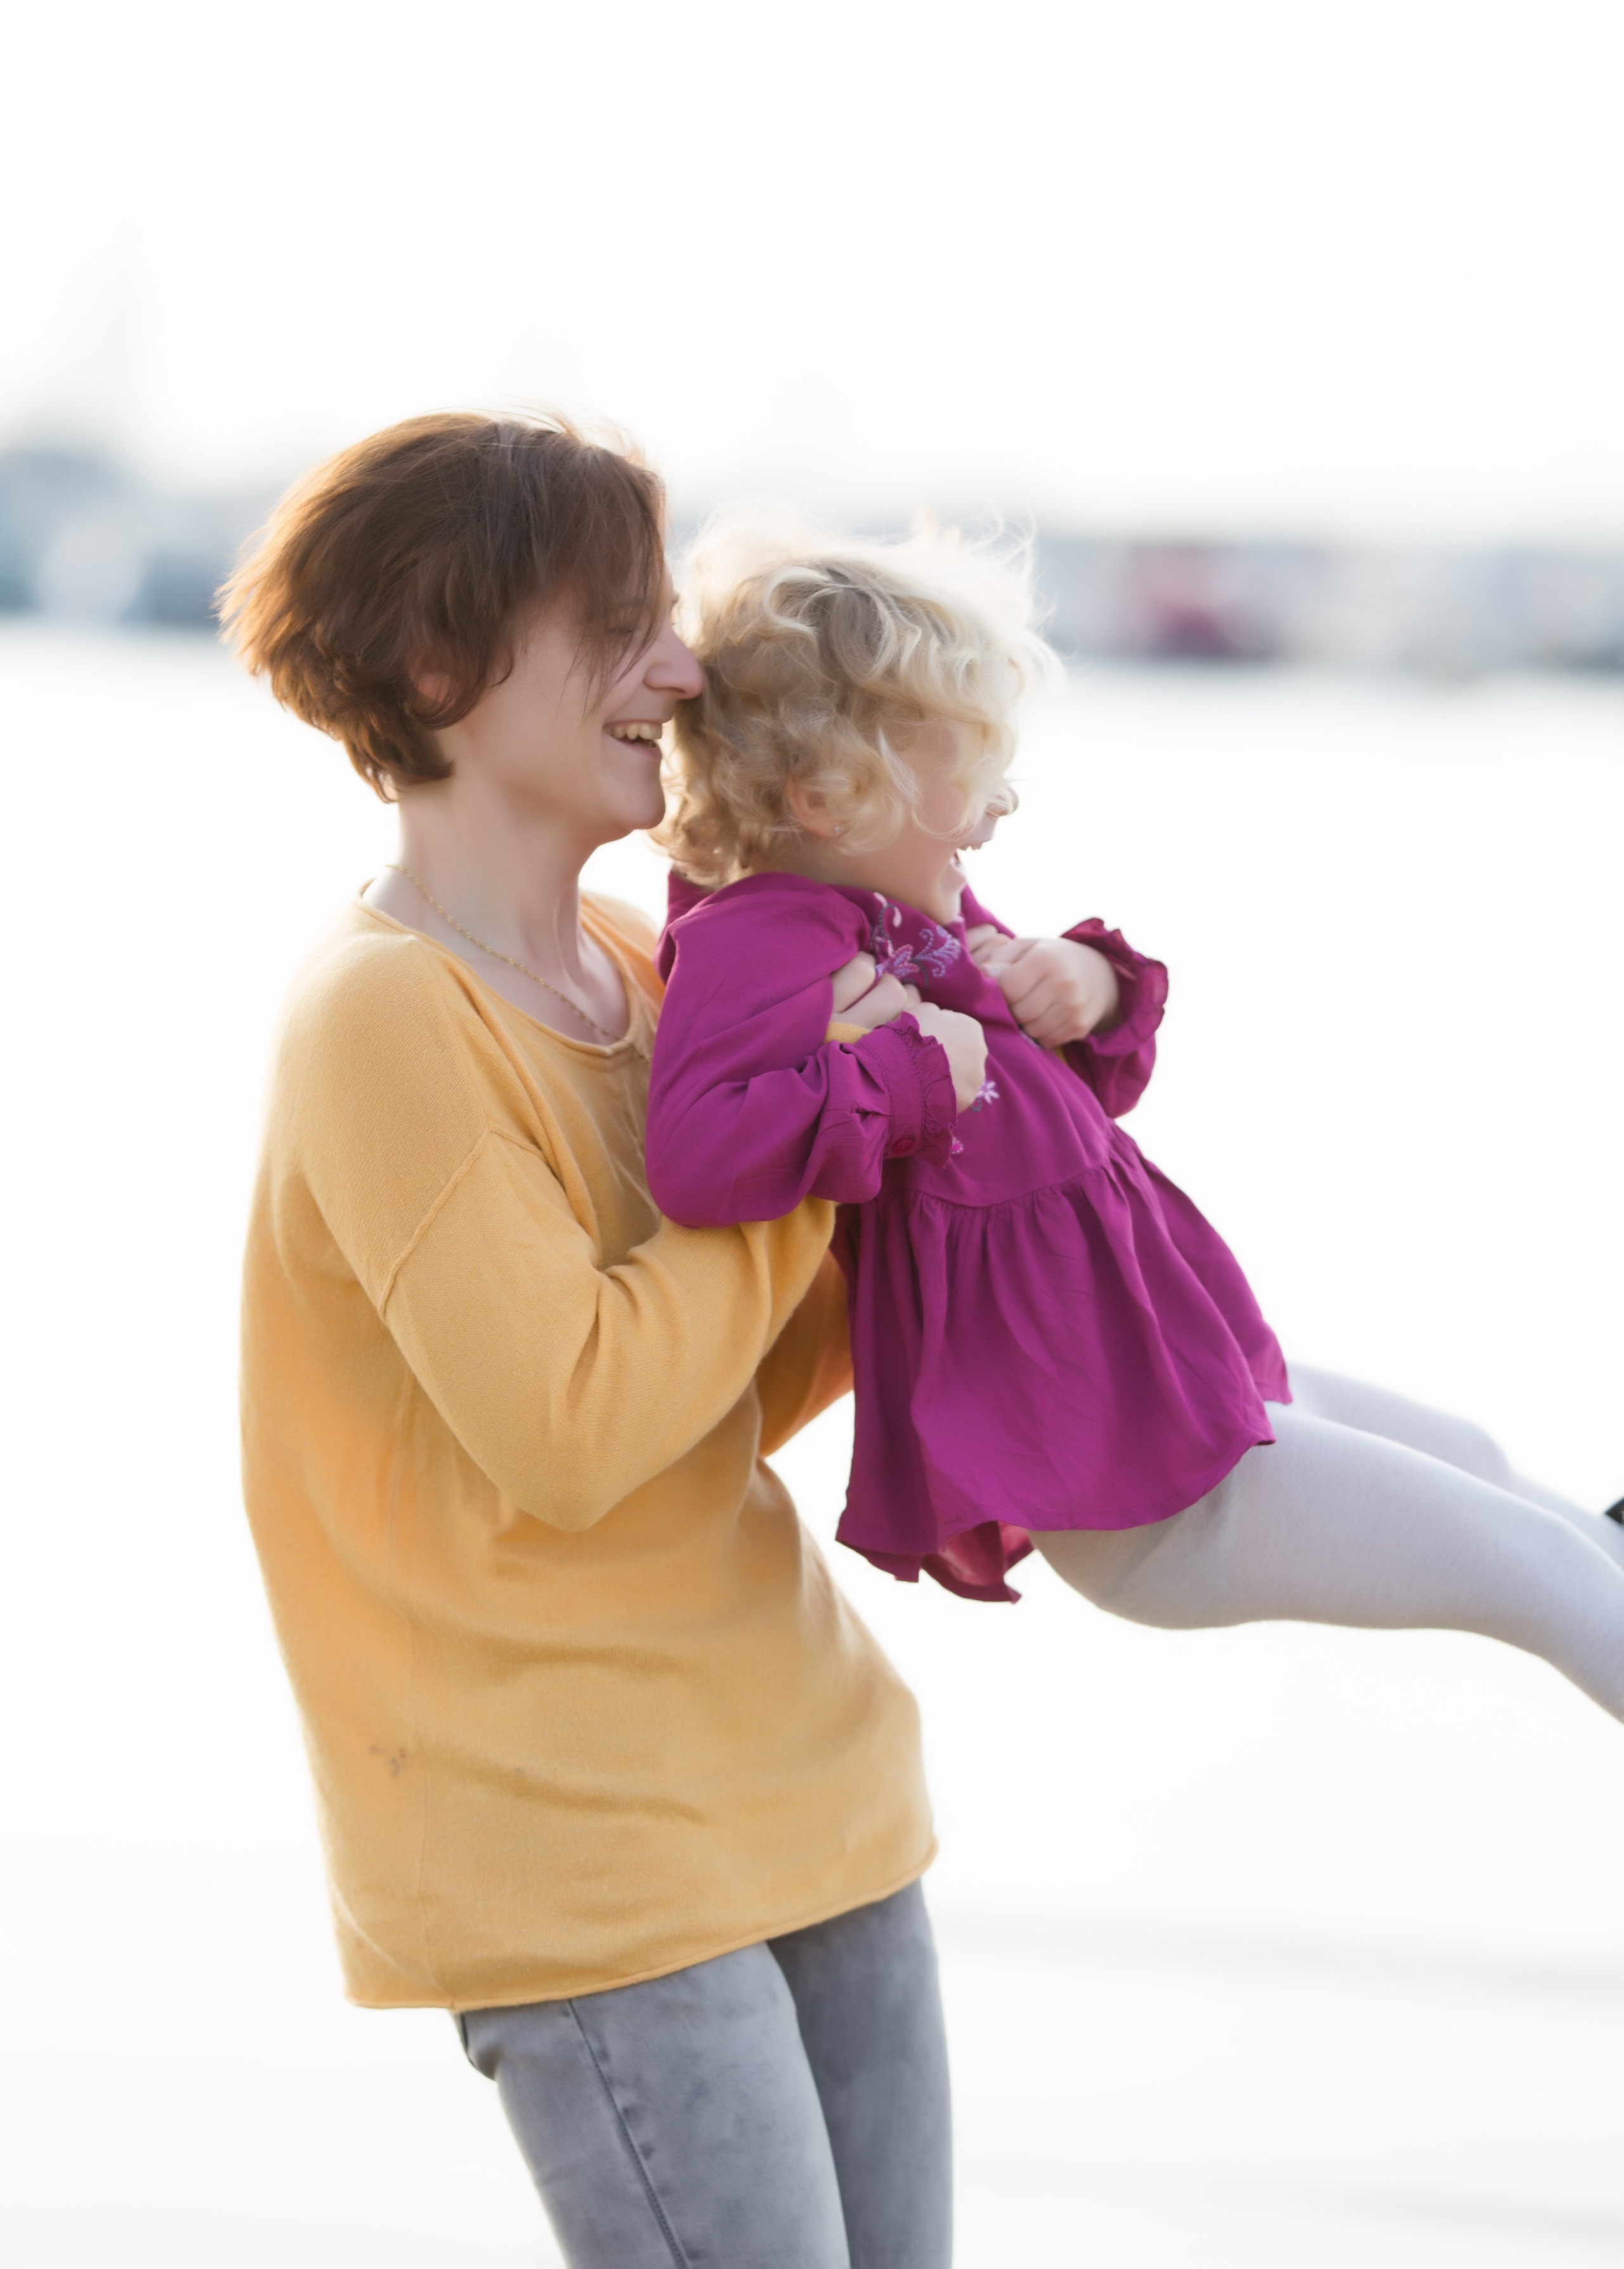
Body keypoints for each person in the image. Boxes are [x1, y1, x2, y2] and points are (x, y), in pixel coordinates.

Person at [223, 414, 952, 2269]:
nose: (686, 670)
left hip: (816, 1789)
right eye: (623, 625)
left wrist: (954, 1144)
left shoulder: (641, 969)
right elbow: (571, 1425)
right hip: (586, 1864)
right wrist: (826, 1141)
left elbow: (727, 1399)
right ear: (440, 665)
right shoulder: (386, 1019)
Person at [644, 512, 1624, 1717]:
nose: (1000, 804)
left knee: (1480, 1462)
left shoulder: (904, 906)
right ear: (830, 796)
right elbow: (697, 1154)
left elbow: (1067, 1106)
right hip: (1152, 1488)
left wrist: (1086, 988)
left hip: (1187, 1375)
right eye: (976, 771)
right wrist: (905, 1074)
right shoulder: (762, 937)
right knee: (1546, 1578)